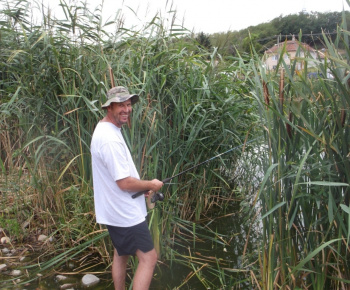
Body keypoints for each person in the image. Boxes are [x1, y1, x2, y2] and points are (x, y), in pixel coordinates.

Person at [90, 86, 163, 290]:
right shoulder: (109, 138)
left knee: (120, 254)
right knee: (149, 258)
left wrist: (141, 189)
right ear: (110, 107)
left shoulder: (107, 129)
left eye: (129, 104)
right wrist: (151, 184)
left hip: (116, 209)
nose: (126, 109)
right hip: (124, 213)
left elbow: (121, 179)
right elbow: (124, 183)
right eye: (121, 105)